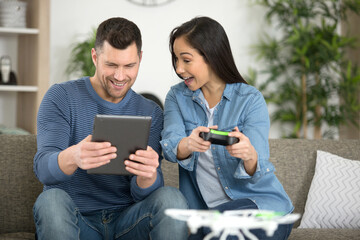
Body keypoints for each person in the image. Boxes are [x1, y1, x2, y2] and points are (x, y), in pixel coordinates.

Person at [33, 17, 188, 240]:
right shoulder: (61, 97)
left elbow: (144, 194)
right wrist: (74, 156)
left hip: (128, 222)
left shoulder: (151, 112)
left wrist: (148, 175)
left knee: (171, 198)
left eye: (129, 66)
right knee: (50, 200)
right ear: (95, 57)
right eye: (111, 65)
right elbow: (43, 170)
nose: (120, 76)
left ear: (140, 59)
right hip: (77, 220)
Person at [160, 16, 294, 240]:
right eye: (175, 59)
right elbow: (169, 146)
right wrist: (187, 144)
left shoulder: (250, 100)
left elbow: (257, 165)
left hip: (263, 210)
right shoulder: (176, 97)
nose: (179, 69)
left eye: (186, 60)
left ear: (210, 55)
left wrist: (249, 156)